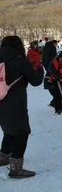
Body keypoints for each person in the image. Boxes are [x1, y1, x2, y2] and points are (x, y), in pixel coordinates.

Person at [0, 36, 44, 178]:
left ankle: (3, 156)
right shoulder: (20, 59)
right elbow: (36, 81)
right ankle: (15, 169)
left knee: (8, 129)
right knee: (21, 133)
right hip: (14, 103)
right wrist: (39, 69)